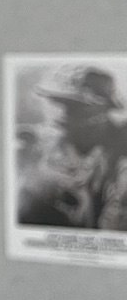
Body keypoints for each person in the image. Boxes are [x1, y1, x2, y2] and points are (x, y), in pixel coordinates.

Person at [16, 65, 127, 231]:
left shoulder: (120, 152)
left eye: (76, 105)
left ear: (104, 108)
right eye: (54, 101)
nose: (62, 112)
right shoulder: (31, 146)